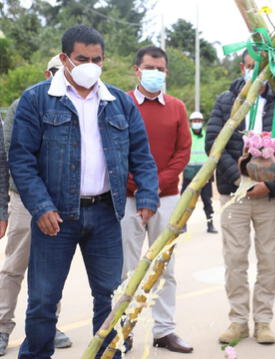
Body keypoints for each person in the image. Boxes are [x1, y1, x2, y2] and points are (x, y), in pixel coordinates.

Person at [9, 25, 159, 358]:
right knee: (43, 300)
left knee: (110, 296)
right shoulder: (37, 99)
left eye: (97, 59)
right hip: (55, 216)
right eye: (82, 58)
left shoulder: (119, 102)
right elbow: (20, 160)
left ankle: (107, 354)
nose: (91, 65)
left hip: (106, 214)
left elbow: (142, 156)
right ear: (64, 59)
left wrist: (148, 196)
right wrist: (41, 207)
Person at [205, 49, 275, 345]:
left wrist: (271, 182)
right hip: (234, 196)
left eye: (262, 68)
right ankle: (238, 321)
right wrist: (239, 178)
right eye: (252, 67)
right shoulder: (226, 101)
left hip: (269, 198)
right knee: (235, 259)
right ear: (243, 68)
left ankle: (263, 321)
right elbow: (214, 143)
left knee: (269, 260)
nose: (257, 74)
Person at [120, 45, 193, 354]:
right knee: (127, 269)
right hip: (127, 197)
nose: (156, 73)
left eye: (161, 69)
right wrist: (138, 187)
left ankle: (164, 331)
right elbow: (113, 150)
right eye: (150, 67)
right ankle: (124, 328)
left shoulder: (177, 107)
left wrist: (154, 186)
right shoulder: (121, 103)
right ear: (137, 70)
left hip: (167, 198)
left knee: (166, 266)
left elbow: (183, 152)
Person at [0, 55, 73, 356]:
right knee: (15, 267)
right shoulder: (25, 104)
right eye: (58, 72)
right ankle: (2, 326)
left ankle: (47, 325)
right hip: (25, 201)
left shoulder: (77, 105)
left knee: (51, 271)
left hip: (59, 202)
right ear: (48, 72)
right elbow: (10, 157)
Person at [181, 111, 217, 234]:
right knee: (184, 201)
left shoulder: (207, 135)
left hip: (204, 174)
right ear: (191, 123)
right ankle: (182, 225)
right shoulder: (186, 135)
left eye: (199, 121)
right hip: (189, 173)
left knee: (207, 201)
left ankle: (210, 224)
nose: (196, 123)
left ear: (202, 122)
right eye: (194, 121)